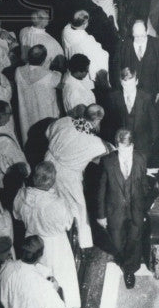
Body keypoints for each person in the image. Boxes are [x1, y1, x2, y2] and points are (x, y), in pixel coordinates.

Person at [13, 161, 81, 308]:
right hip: (54, 244)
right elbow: (67, 224)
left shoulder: (22, 195)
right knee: (60, 277)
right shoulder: (56, 203)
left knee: (35, 278)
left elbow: (16, 215)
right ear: (51, 181)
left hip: (30, 240)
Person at [45, 105, 111, 248]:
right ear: (97, 121)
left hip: (47, 165)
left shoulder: (64, 121)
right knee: (77, 210)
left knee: (49, 205)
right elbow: (110, 152)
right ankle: (80, 246)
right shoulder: (94, 143)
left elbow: (48, 133)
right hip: (67, 177)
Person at [97, 128, 150, 289]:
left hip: (137, 208)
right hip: (115, 210)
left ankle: (129, 270)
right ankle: (122, 258)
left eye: (127, 148)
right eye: (120, 148)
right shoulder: (107, 161)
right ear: (116, 145)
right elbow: (101, 190)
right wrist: (101, 215)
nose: (124, 152)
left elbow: (144, 185)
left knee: (135, 239)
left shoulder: (141, 158)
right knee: (118, 241)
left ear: (132, 145)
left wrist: (146, 209)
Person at [0, 235, 66, 308]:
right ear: (40, 255)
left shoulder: (6, 268)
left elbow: (4, 298)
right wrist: (55, 289)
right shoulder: (42, 283)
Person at [103, 67, 156, 156]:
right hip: (120, 146)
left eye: (131, 84)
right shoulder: (112, 98)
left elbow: (153, 122)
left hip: (142, 146)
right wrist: (111, 144)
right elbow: (108, 124)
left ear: (136, 81)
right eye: (125, 84)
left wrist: (152, 142)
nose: (128, 88)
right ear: (120, 82)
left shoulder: (146, 98)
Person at [15, 44, 61, 144]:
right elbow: (61, 83)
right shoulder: (50, 75)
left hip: (27, 113)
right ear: (44, 60)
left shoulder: (18, 71)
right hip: (45, 113)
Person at [113, 19, 159, 96]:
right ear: (132, 33)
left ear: (146, 32)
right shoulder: (123, 45)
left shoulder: (156, 44)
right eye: (136, 36)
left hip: (151, 91)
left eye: (142, 35)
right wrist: (119, 91)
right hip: (130, 91)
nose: (139, 39)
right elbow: (117, 69)